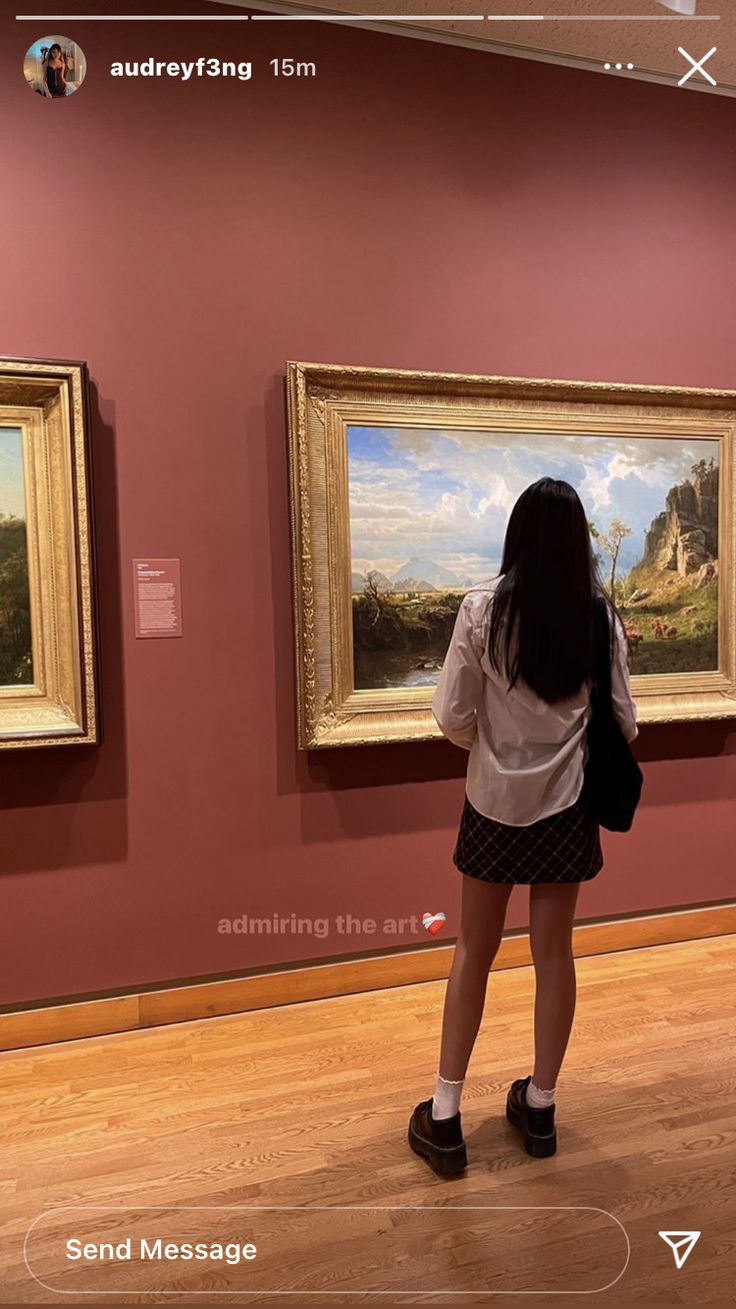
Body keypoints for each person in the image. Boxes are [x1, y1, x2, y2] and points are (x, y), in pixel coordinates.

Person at [408, 477, 638, 1177]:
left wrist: (491, 743)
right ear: (579, 544)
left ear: (515, 535)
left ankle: (444, 1118)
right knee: (554, 954)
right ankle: (539, 1106)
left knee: (473, 951)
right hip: (568, 807)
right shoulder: (598, 615)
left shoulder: (481, 609)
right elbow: (624, 721)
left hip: (492, 803)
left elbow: (450, 715)